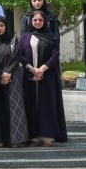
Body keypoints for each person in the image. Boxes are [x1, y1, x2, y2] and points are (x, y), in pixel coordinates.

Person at [20, 10, 68, 146]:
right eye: (35, 20)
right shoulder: (25, 37)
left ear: (45, 21)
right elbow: (20, 55)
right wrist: (31, 68)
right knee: (31, 104)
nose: (37, 22)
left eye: (40, 20)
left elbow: (55, 54)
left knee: (46, 104)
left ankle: (47, 136)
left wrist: (41, 69)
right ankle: (33, 136)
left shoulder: (51, 36)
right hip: (29, 74)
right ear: (31, 22)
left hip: (47, 75)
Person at [0, 16, 28, 147]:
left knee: (12, 108)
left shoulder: (13, 40)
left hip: (11, 78)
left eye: (1, 26)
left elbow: (16, 56)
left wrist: (7, 73)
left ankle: (13, 140)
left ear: (6, 26)